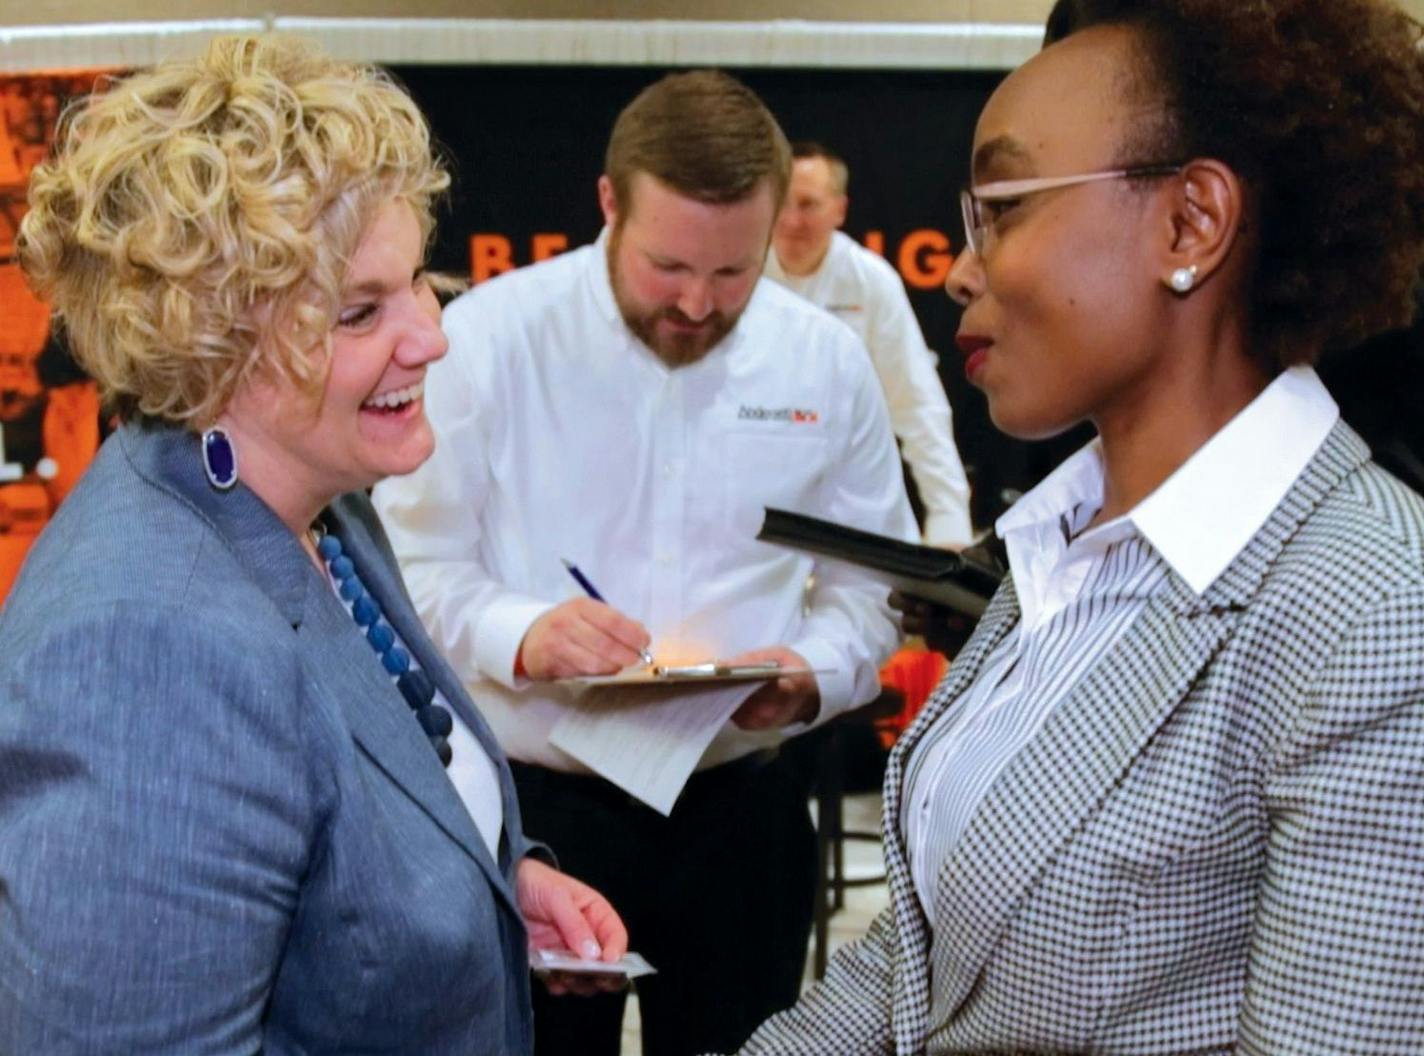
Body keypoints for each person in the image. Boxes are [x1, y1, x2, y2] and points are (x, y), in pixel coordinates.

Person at [734, 0, 1424, 1053]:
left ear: (1189, 225)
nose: (961, 270)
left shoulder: (1376, 608)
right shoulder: (1061, 549)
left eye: (1001, 209)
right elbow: (911, 970)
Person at [0, 35, 627, 1054]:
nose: (429, 336)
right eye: (357, 313)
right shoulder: (143, 648)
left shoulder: (323, 501)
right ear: (209, 340)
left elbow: (354, 817)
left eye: (417, 281)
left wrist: (491, 883)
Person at [373, 69, 916, 1056]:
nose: (697, 305)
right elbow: (413, 570)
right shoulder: (489, 343)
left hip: (741, 811)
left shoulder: (823, 362)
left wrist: (809, 680)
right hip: (539, 816)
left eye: (732, 274)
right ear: (608, 204)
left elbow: (868, 593)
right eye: (668, 267)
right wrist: (525, 633)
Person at [766, 142, 974, 547]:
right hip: (754, 482)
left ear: (839, 210)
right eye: (783, 202)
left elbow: (916, 403)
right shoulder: (740, 274)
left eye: (808, 204)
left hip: (846, 492)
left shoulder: (871, 281)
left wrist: (950, 517)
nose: (792, 220)